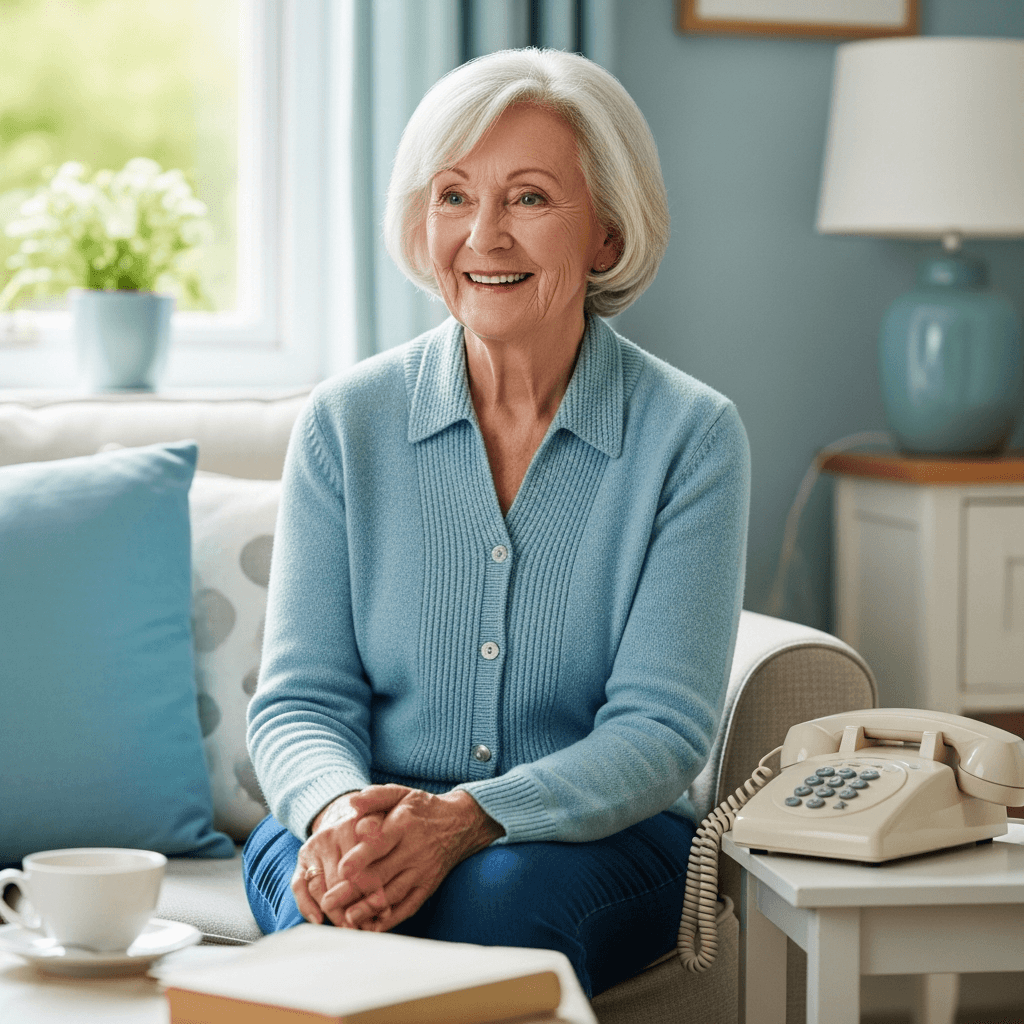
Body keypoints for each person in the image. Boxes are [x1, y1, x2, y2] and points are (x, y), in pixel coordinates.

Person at [243, 47, 749, 999]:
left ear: (606, 233)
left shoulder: (691, 436)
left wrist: (471, 817)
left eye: (528, 199)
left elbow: (661, 729)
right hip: (359, 815)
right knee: (339, 896)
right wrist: (339, 814)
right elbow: (299, 701)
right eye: (453, 196)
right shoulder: (345, 422)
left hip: (595, 835)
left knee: (487, 908)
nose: (484, 235)